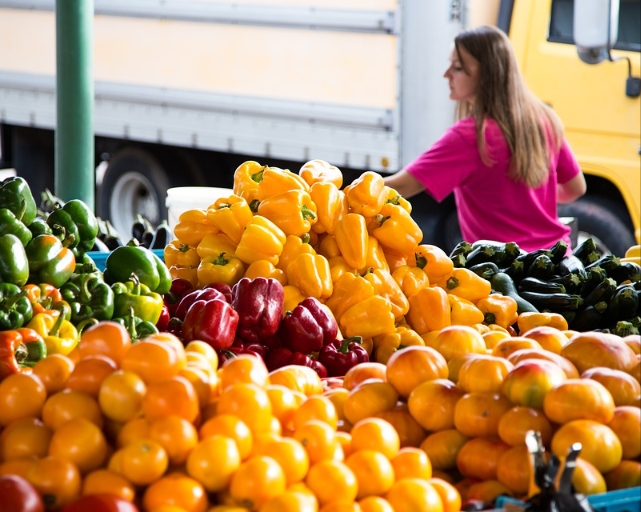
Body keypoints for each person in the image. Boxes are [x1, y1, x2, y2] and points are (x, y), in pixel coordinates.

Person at [384, 25, 587, 253]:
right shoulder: (544, 119)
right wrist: (533, 201)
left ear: (487, 76)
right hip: (556, 262)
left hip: (504, 270)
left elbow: (399, 186)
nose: (446, 74)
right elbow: (575, 188)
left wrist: (339, 189)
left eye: (458, 67)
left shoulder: (470, 136)